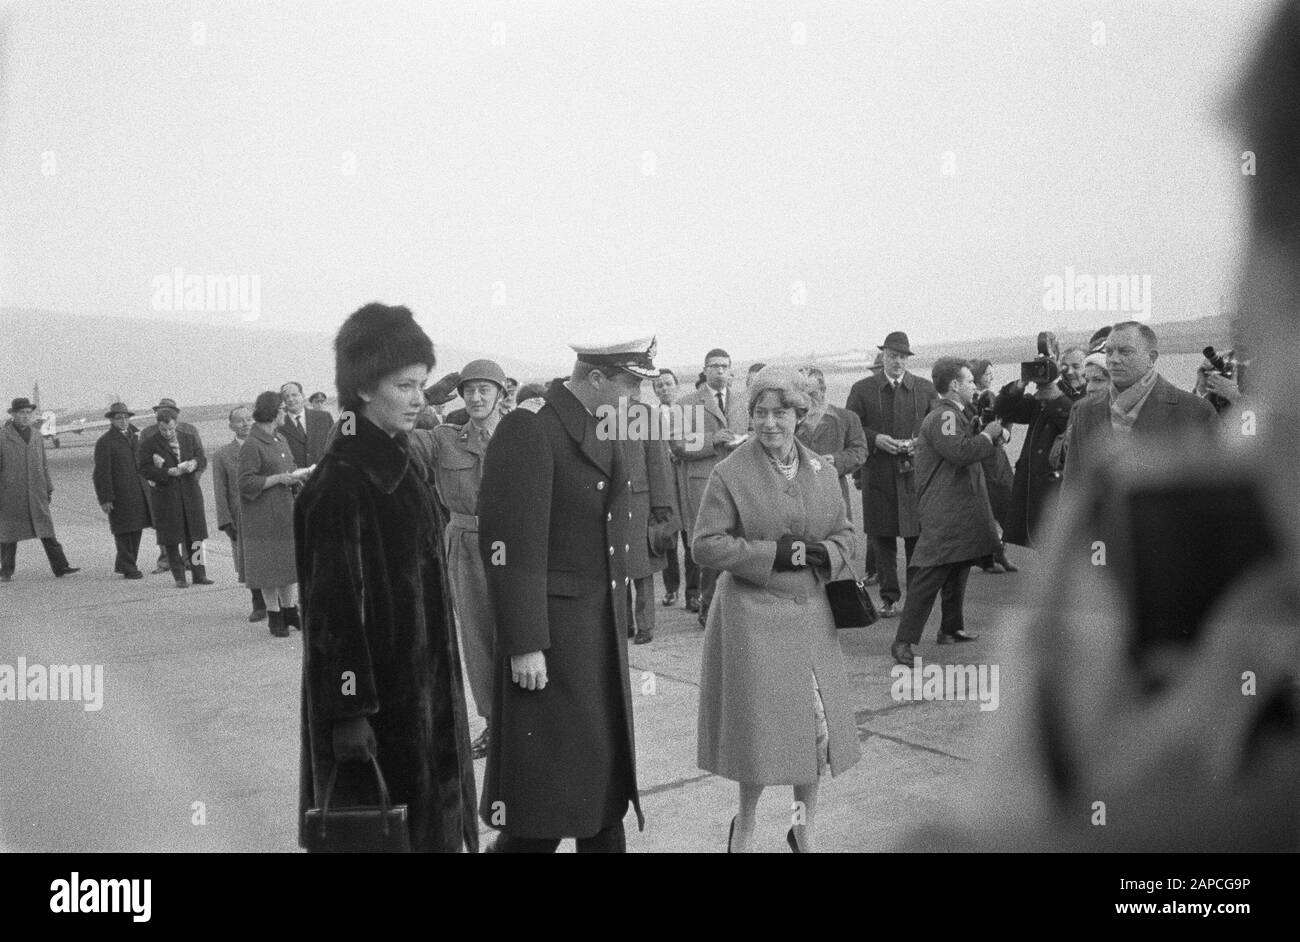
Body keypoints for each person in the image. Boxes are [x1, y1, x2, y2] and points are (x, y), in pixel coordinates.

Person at [297, 302, 478, 853]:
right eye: (405, 385)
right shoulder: (342, 484)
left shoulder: (405, 466)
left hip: (425, 696)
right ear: (364, 389)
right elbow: (333, 616)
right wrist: (349, 713)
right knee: (389, 837)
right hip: (382, 715)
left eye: (422, 384)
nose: (420, 398)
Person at [476, 329, 655, 853]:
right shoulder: (530, 429)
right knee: (545, 805)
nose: (637, 400)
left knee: (599, 789)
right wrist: (524, 641)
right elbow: (508, 544)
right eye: (630, 386)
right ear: (595, 378)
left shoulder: (604, 427)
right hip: (551, 645)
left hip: (596, 636)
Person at [694, 366, 862, 853]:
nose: (770, 423)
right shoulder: (730, 472)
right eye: (761, 413)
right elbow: (705, 545)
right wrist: (773, 554)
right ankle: (744, 828)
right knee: (762, 736)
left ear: (799, 415)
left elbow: (847, 533)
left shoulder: (822, 470)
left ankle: (802, 831)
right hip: (752, 620)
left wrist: (823, 552)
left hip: (810, 617)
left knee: (816, 733)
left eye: (781, 413)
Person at [408, 359, 508, 760]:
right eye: (469, 390)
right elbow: (375, 436)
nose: (476, 397)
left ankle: (530, 720)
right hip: (466, 544)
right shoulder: (442, 438)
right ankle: (493, 723)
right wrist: (425, 398)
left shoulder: (522, 435)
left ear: (501, 394)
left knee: (527, 631)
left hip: (519, 542)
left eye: (485, 389)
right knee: (479, 636)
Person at [891, 359, 1004, 666]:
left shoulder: (954, 415)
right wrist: (989, 435)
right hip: (946, 511)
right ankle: (902, 642)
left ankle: (950, 628)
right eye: (969, 382)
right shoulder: (944, 416)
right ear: (954, 385)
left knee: (958, 566)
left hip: (958, 508)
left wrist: (988, 434)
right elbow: (960, 452)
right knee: (932, 573)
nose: (974, 386)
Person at [844, 331, 937, 617]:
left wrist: (917, 442)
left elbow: (935, 426)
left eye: (902, 357)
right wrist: (875, 439)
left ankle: (916, 597)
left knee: (915, 536)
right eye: (892, 356)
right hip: (879, 473)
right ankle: (889, 598)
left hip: (912, 474)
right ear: (883, 356)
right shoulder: (862, 389)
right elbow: (851, 427)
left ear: (908, 359)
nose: (897, 362)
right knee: (882, 538)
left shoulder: (924, 388)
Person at [1062, 321, 1219, 490]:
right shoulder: (1085, 410)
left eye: (1125, 351)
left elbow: (1217, 490)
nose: (1114, 359)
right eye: (1109, 352)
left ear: (1151, 358)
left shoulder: (1195, 411)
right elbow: (1073, 487)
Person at [674, 348, 751, 626]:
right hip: (704, 483)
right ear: (705, 370)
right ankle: (707, 605)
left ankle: (733, 606)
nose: (720, 371)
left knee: (738, 544)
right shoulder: (686, 404)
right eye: (714, 366)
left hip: (739, 481)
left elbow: (755, 433)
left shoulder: (744, 402)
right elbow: (679, 443)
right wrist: (713, 439)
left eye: (725, 366)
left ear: (731, 371)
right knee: (709, 545)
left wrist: (746, 439)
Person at [992, 347, 1086, 547]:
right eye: (1065, 366)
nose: (1069, 371)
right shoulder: (1045, 393)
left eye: (1076, 366)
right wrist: (1020, 385)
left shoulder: (1090, 394)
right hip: (1034, 484)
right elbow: (1005, 410)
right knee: (1036, 543)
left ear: (1086, 368)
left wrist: (1056, 398)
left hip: (1064, 483)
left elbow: (1080, 429)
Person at [240, 392, 308, 638]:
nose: (285, 412)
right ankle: (274, 615)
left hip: (283, 510)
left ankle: (290, 610)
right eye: (281, 408)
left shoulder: (279, 439)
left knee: (287, 564)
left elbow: (287, 467)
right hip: (262, 514)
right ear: (271, 412)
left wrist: (299, 475)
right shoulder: (252, 444)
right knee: (269, 568)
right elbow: (246, 482)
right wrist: (279, 478)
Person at [1, 397, 78, 582]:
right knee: (9, 534)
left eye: (29, 413)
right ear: (13, 415)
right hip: (11, 494)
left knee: (47, 531)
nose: (26, 416)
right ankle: (6, 571)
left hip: (36, 491)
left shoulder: (36, 435)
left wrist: (48, 487)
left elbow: (43, 464)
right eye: (21, 413)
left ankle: (61, 566)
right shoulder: (3, 436)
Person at [137, 407, 212, 588]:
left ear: (176, 424)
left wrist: (194, 463)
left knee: (195, 538)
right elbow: (144, 469)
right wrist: (166, 472)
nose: (168, 433)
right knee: (171, 539)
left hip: (190, 496)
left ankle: (199, 574)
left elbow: (202, 458)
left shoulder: (189, 438)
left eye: (171, 429)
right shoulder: (149, 444)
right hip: (166, 498)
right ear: (158, 426)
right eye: (164, 430)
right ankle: (179, 577)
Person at [623, 396, 675, 644]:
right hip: (612, 501)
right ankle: (624, 623)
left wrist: (661, 503)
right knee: (616, 564)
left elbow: (658, 461)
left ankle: (645, 625)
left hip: (640, 502)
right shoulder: (598, 410)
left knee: (641, 567)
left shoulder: (644, 413)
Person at [212, 406, 265, 621]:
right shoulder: (223, 455)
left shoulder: (267, 445)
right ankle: (258, 602)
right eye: (239, 421)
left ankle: (282, 603)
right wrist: (225, 522)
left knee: (273, 556)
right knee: (248, 561)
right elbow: (220, 490)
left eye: (249, 419)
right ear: (231, 426)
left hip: (268, 511)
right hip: (241, 516)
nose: (245, 424)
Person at [967, 360, 1017, 574]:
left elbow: (1007, 427)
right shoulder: (968, 402)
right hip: (979, 458)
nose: (990, 378)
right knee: (983, 511)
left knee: (1005, 505)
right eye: (986, 374)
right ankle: (988, 557)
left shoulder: (996, 398)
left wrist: (1003, 433)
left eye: (991, 374)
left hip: (996, 459)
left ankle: (1000, 553)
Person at [92, 402, 152, 580]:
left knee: (136, 529)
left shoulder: (136, 438)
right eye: (119, 418)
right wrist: (105, 498)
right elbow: (101, 473)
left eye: (126, 417)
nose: (123, 421)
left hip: (139, 491)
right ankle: (128, 567)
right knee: (124, 531)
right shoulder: (105, 442)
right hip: (120, 494)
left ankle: (125, 562)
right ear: (111, 420)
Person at [795, 368, 869, 513]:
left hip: (834, 495)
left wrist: (836, 460)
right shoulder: (789, 422)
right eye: (801, 396)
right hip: (798, 498)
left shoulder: (847, 418)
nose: (807, 401)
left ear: (823, 390)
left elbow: (860, 451)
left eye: (812, 394)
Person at [652, 368, 694, 607]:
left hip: (686, 479)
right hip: (665, 483)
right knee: (668, 536)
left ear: (677, 386)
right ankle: (671, 588)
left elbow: (696, 441)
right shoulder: (649, 416)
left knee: (690, 537)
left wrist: (683, 452)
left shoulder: (689, 413)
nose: (664, 389)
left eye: (668, 384)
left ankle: (693, 592)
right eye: (659, 385)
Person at [277, 381, 332, 470]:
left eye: (294, 395)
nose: (290, 399)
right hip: (296, 480)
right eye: (286, 397)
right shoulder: (279, 426)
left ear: (302, 395)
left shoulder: (324, 417)